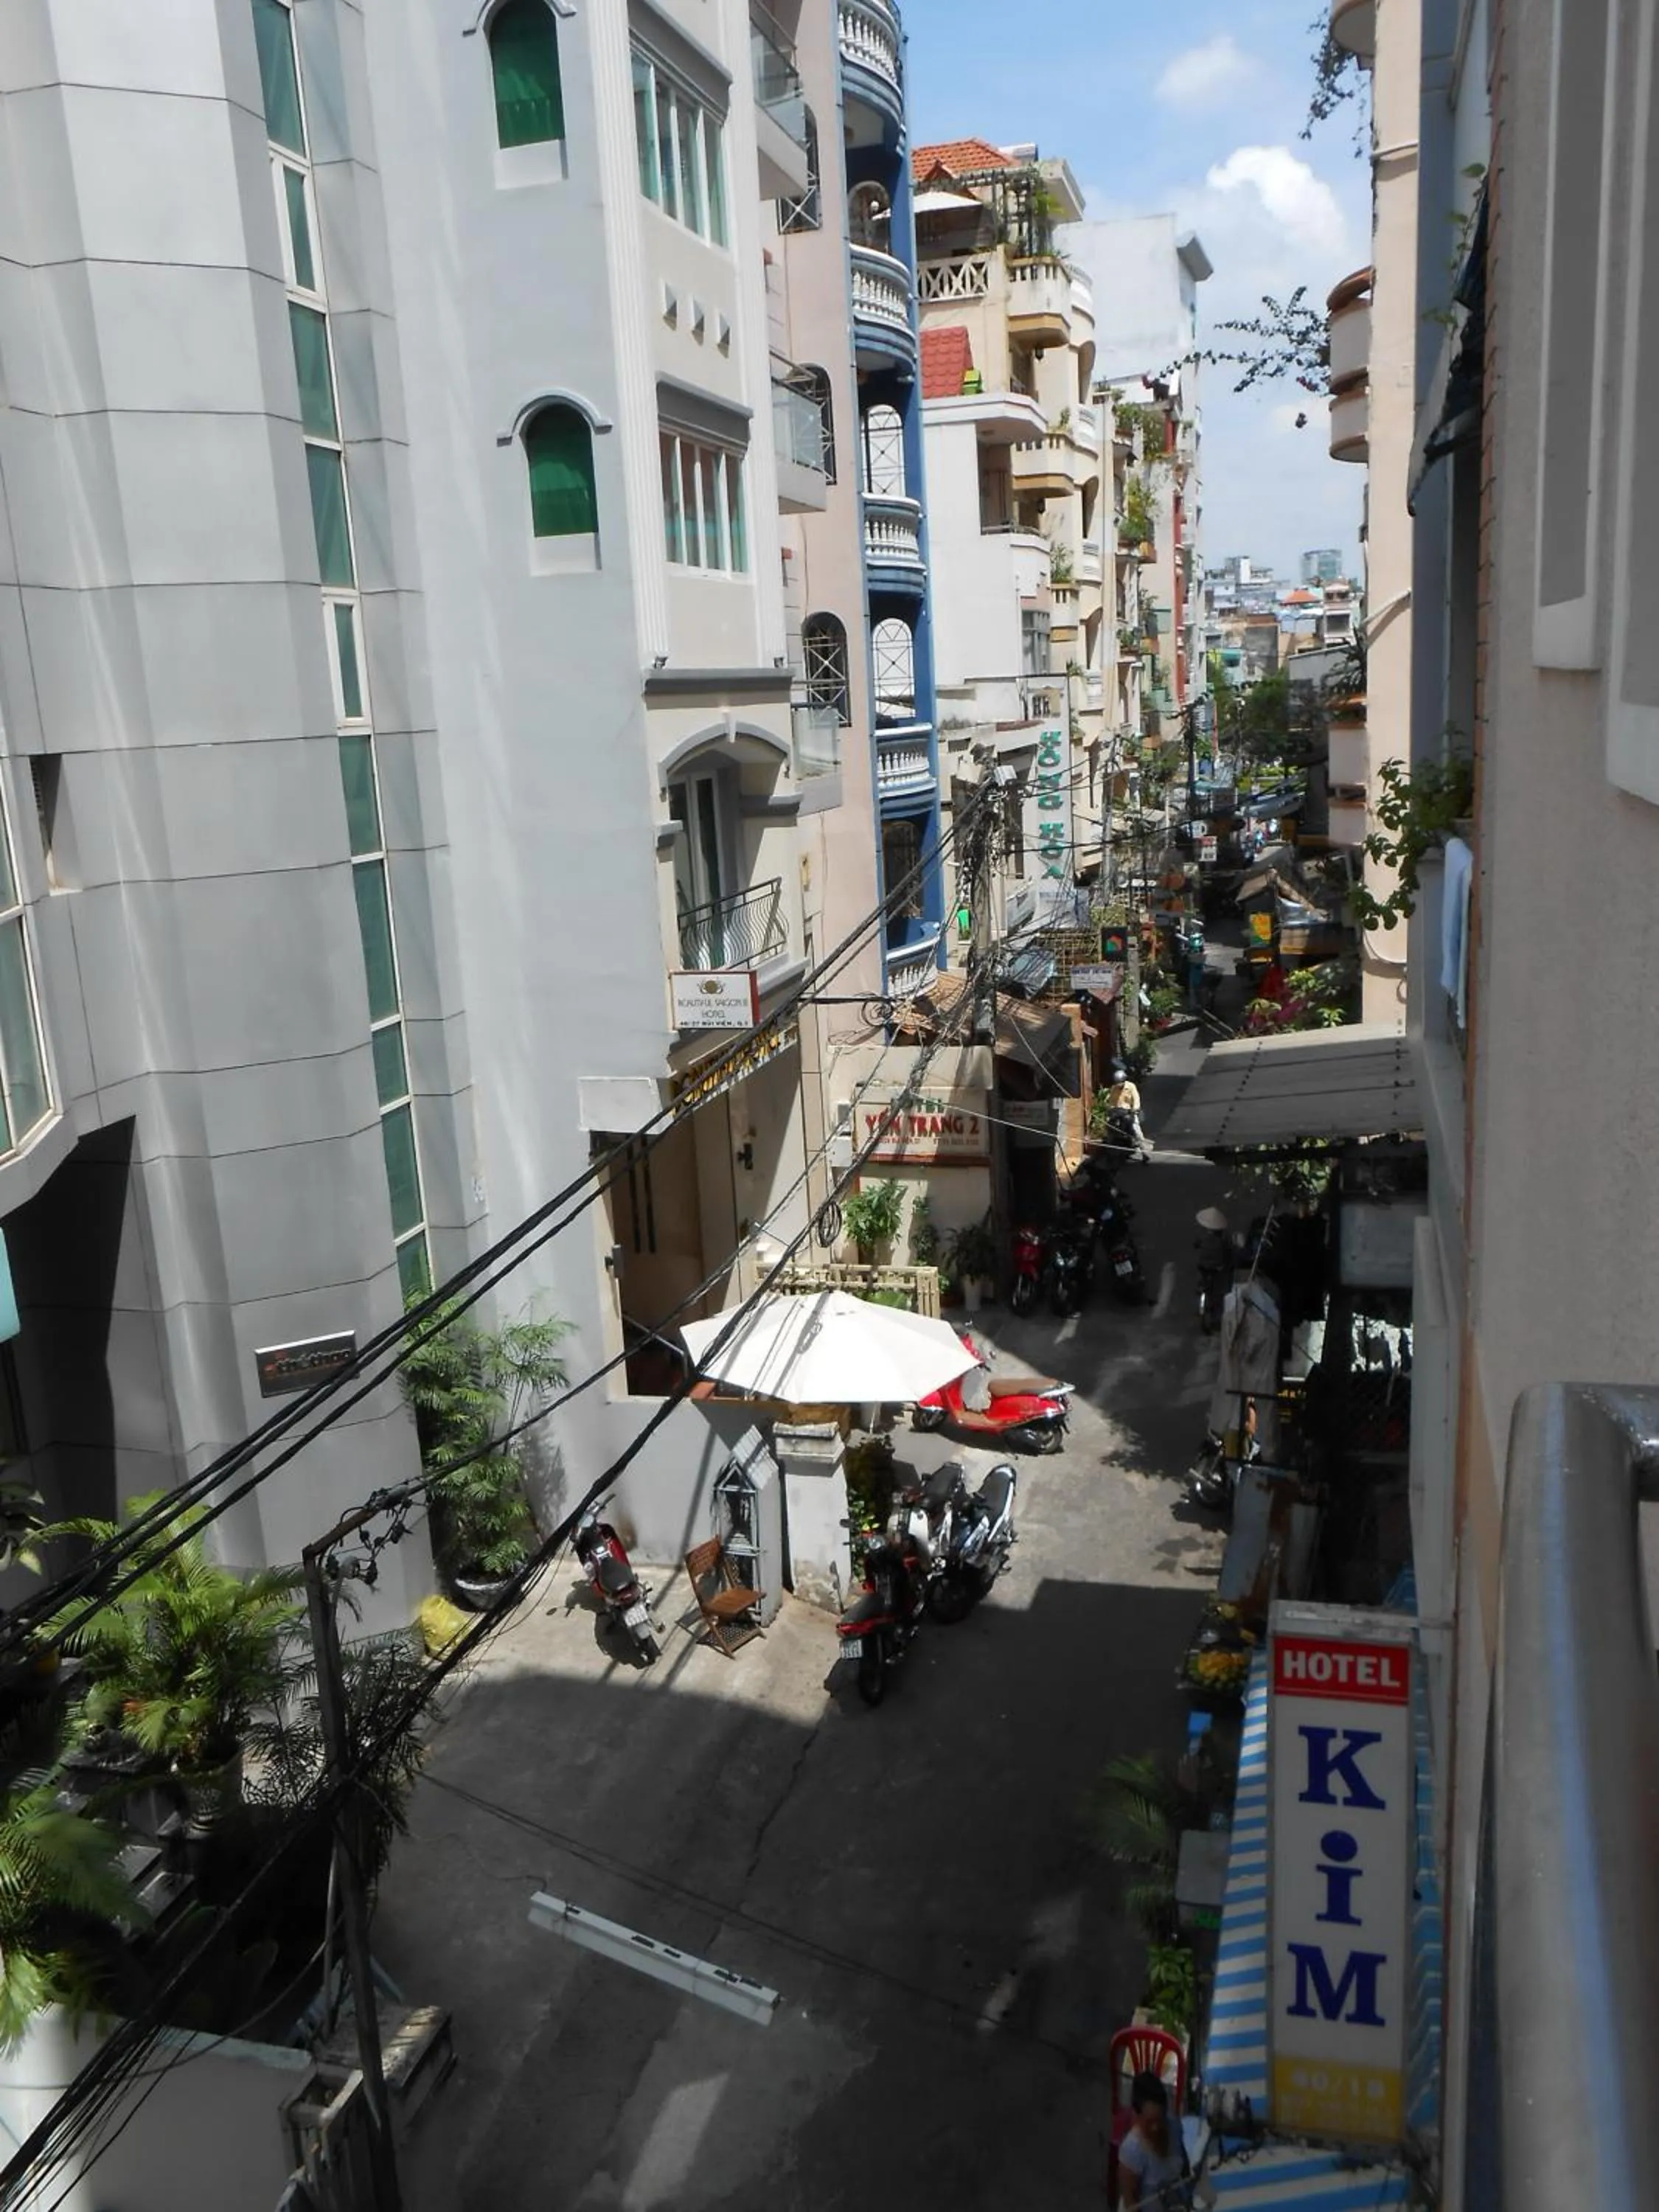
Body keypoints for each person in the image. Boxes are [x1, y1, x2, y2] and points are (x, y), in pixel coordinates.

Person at [1117, 2071, 1189, 2212]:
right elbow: (1130, 2201)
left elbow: (1185, 2167)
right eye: (1149, 2122)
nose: (1155, 2128)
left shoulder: (1174, 2126)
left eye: (1160, 2120)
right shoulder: (1132, 2151)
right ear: (1136, 2116)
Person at [1103, 1062, 1152, 1160]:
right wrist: (1109, 1108)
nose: (1119, 1085)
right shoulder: (1114, 1088)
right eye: (1117, 1083)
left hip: (1129, 1113)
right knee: (1109, 1129)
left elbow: (1136, 1099)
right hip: (1117, 1112)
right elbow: (1111, 1101)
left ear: (1124, 1080)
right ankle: (1109, 1152)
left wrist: (1135, 1109)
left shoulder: (1131, 1087)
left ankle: (1145, 1153)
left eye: (1120, 1083)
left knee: (1136, 1131)